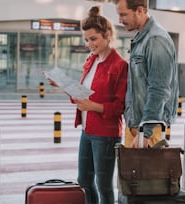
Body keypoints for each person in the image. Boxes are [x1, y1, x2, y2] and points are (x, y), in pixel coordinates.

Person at [46, 5, 128, 204]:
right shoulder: (90, 61)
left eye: (93, 39)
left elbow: (121, 106)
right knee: (84, 181)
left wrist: (95, 107)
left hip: (106, 135)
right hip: (87, 130)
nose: (89, 44)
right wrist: (63, 85)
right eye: (86, 40)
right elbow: (82, 97)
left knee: (104, 185)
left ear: (107, 35)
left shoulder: (120, 65)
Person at [112, 0, 179, 148]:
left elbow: (159, 89)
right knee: (129, 171)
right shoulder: (141, 38)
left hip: (148, 128)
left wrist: (146, 132)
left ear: (140, 10)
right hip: (137, 125)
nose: (120, 20)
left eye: (123, 15)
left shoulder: (156, 40)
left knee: (147, 171)